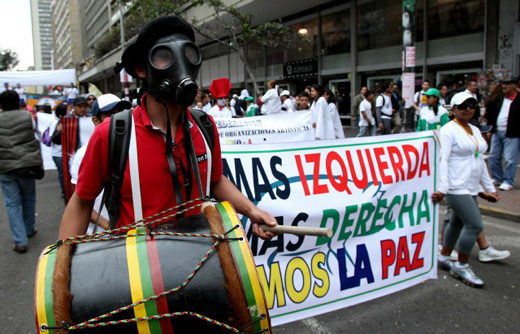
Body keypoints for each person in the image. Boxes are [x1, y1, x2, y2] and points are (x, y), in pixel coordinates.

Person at [58, 15, 277, 241]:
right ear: (142, 69)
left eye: (188, 54)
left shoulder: (204, 126)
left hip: (199, 259)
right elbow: (83, 202)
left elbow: (214, 180)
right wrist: (62, 267)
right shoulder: (112, 134)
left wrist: (252, 211)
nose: (181, 65)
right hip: (137, 268)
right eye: (164, 56)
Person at [432, 92, 497, 287]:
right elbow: (443, 159)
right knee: (475, 225)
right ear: (453, 109)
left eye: (472, 105)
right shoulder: (448, 130)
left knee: (456, 223)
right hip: (455, 186)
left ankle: (444, 256)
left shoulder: (475, 130)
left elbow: (478, 159)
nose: (468, 109)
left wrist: (489, 188)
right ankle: (461, 265)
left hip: (469, 186)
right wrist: (443, 188)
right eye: (463, 106)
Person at [70, 94, 132, 233]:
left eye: (121, 114)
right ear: (96, 121)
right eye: (110, 115)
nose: (118, 119)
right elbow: (79, 202)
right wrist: (108, 224)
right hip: (99, 234)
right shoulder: (83, 154)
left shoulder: (134, 148)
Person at [0, 90, 42, 253]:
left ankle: (20, 241)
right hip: (27, 164)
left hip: (5, 166)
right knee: (29, 198)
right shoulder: (27, 117)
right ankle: (29, 228)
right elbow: (35, 137)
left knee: (12, 203)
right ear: (18, 102)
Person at [486, 77, 520, 191]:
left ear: (515, 86)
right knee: (494, 156)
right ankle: (497, 177)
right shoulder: (500, 98)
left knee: (510, 159)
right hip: (497, 131)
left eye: (508, 84)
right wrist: (491, 129)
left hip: (512, 133)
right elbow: (492, 114)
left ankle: (508, 180)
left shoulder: (518, 99)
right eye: (503, 84)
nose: (504, 86)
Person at [48, 102, 70, 198]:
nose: (71, 111)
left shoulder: (70, 120)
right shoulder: (55, 122)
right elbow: (52, 138)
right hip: (58, 154)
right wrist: (59, 131)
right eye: (68, 110)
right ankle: (64, 191)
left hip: (66, 152)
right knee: (63, 173)